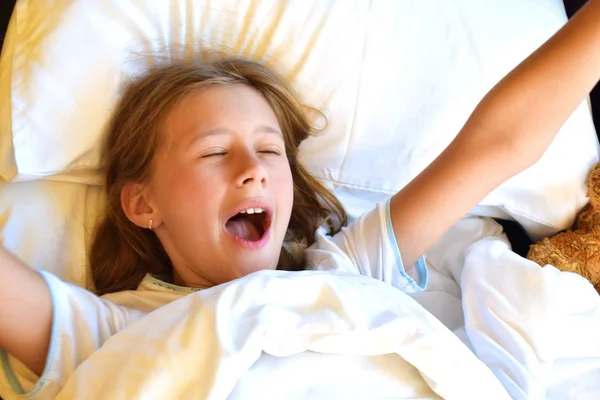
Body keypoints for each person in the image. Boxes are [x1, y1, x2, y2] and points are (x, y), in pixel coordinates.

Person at [1, 0, 600, 397]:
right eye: (214, 153)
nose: (253, 172)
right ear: (141, 203)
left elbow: (495, 145)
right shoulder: (111, 330)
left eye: (271, 152)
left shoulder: (342, 269)